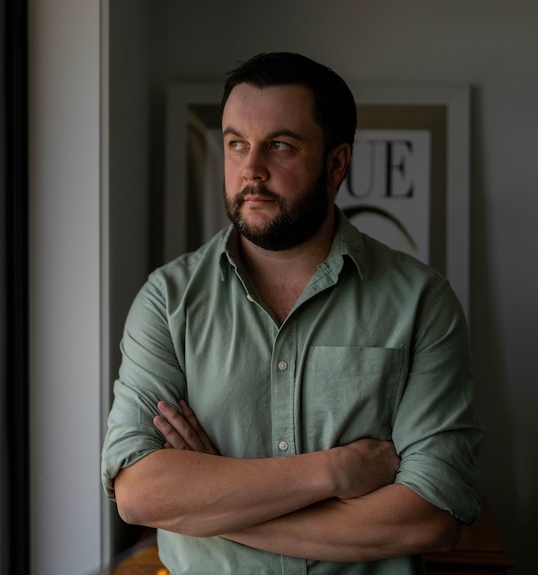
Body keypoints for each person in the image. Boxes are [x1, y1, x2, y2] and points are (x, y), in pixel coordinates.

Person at [101, 51, 482, 574]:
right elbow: (140, 495)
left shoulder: (421, 303)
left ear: (336, 163)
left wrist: (211, 501)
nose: (250, 170)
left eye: (280, 145)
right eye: (236, 144)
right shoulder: (167, 300)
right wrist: (334, 471)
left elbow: (430, 518)